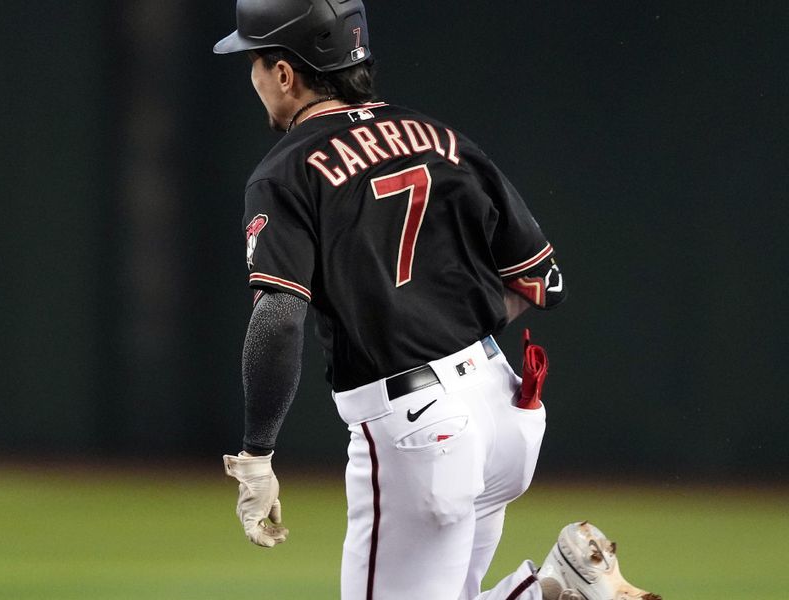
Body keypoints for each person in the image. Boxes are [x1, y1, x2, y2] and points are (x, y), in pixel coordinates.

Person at [214, 2, 659, 599]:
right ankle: (559, 590)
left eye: (255, 62)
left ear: (287, 74)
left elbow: (278, 317)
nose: (253, 78)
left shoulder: (286, 171)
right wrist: (455, 321)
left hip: (418, 431)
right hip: (502, 411)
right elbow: (541, 281)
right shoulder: (441, 138)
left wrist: (257, 452)